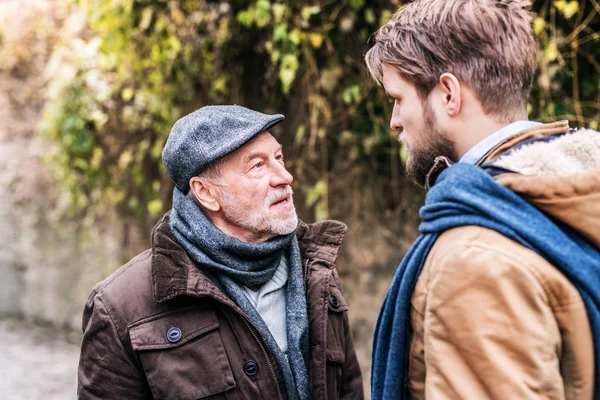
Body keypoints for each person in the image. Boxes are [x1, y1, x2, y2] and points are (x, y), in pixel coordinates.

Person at [365, 0, 599, 399]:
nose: (394, 121)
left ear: (449, 94)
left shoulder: (475, 260)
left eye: (397, 98)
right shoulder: (577, 190)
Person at [77, 105, 363, 400]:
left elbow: (348, 389)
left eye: (279, 157)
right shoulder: (120, 306)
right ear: (207, 193)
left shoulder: (315, 269)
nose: (285, 176)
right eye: (258, 166)